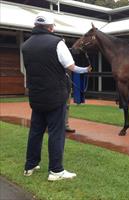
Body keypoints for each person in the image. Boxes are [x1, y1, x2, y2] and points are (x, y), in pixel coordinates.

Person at [22, 12, 92, 181]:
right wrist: (86, 70)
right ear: (50, 27)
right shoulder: (57, 43)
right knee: (56, 133)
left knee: (36, 131)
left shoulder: (25, 45)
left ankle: (30, 166)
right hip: (55, 96)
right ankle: (56, 171)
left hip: (36, 96)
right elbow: (71, 66)